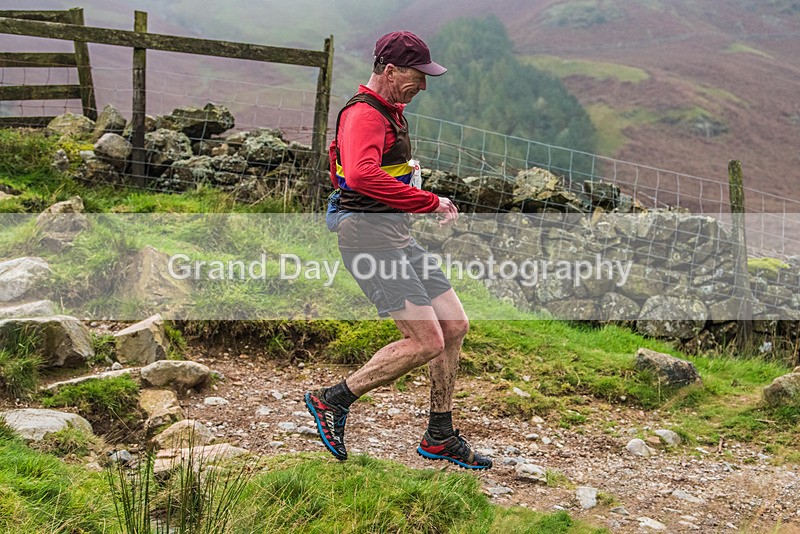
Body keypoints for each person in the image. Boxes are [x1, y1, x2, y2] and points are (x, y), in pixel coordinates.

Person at [304, 30, 492, 470]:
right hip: (368, 240)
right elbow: (363, 176)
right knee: (426, 341)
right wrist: (429, 201)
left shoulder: (390, 111)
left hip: (394, 236)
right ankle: (331, 400)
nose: (423, 85)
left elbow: (377, 172)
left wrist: (410, 180)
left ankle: (440, 434)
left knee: (454, 324)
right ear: (390, 71)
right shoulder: (365, 115)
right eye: (417, 76)